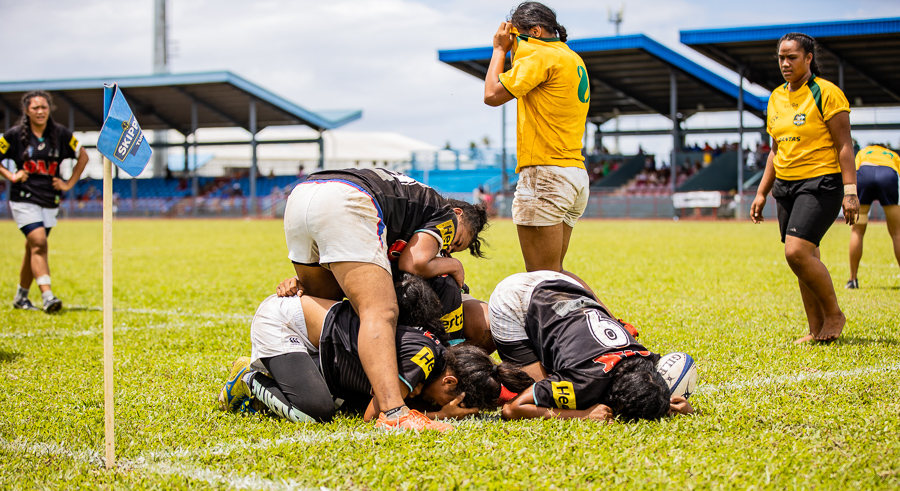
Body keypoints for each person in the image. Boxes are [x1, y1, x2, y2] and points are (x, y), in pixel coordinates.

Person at [280, 167, 488, 431]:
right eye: (455, 242)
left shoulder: (407, 220)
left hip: (303, 195)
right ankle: (393, 412)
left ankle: (284, 374)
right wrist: (456, 265)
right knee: (380, 311)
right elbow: (415, 262)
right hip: (349, 198)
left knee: (326, 309)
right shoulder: (445, 214)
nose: (445, 251)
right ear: (457, 216)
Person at [218, 273, 530, 429]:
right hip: (284, 324)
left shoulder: (434, 359)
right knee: (315, 412)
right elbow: (375, 417)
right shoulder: (424, 357)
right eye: (447, 398)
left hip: (325, 351)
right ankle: (248, 379)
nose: (436, 400)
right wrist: (440, 415)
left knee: (344, 403)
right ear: (449, 382)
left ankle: (277, 378)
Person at [750, 32, 859, 344]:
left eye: (792, 57)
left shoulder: (827, 93)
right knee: (805, 256)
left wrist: (850, 190)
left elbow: (844, 145)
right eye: (781, 57)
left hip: (821, 182)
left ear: (809, 58)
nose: (785, 63)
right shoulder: (775, 98)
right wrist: (761, 191)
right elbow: (775, 150)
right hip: (785, 186)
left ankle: (834, 314)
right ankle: (816, 329)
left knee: (796, 252)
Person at [483, 2, 594, 293]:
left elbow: (492, 94)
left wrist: (499, 50)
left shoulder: (538, 53)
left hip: (546, 176)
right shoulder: (571, 57)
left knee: (542, 279)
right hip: (573, 174)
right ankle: (611, 323)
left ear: (535, 31)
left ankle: (608, 328)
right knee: (553, 274)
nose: (514, 46)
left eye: (516, 38)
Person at [489, 271, 694, 421]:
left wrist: (665, 403)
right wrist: (583, 415)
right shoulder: (584, 381)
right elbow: (513, 410)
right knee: (543, 398)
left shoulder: (643, 358)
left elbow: (648, 385)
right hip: (512, 299)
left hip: (557, 281)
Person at [0, 91, 89, 313]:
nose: (40, 111)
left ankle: (21, 297)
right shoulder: (13, 135)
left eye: (44, 107)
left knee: (33, 249)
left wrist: (68, 184)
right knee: (39, 242)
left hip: (50, 200)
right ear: (26, 111)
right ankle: (48, 296)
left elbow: (84, 156)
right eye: (35, 108)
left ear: (49, 109)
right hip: (23, 199)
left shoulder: (60, 134)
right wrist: (11, 176)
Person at [846, 144, 900, 288]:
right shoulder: (892, 155)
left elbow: (854, 170)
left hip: (865, 173)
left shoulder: (864, 152)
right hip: (887, 174)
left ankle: (852, 280)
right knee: (897, 233)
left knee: (857, 231)